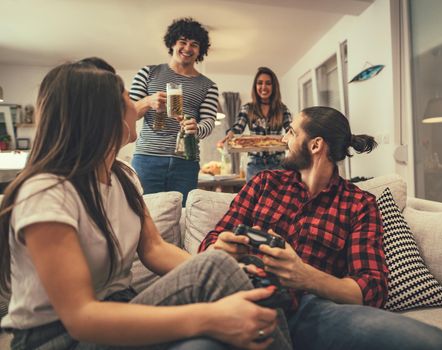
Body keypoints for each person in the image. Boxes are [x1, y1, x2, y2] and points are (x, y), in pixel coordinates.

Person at [0, 59, 292, 350]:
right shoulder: (46, 192)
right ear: (101, 114)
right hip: (58, 336)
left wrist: (226, 273)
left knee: (222, 281)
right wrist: (208, 317)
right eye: (128, 98)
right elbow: (80, 316)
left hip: (121, 303)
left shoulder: (123, 176)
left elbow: (154, 248)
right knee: (213, 299)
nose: (134, 108)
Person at [199, 106, 442, 350]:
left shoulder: (359, 204)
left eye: (291, 132)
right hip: (244, 298)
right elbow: (210, 242)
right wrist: (220, 248)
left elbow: (371, 289)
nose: (283, 140)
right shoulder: (264, 184)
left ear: (315, 145)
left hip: (311, 309)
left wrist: (304, 276)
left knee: (435, 343)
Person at [129, 17, 218, 205]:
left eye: (194, 44)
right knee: (142, 212)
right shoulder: (148, 73)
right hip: (147, 159)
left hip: (186, 162)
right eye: (183, 42)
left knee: (184, 216)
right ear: (172, 43)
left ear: (200, 50)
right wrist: (147, 101)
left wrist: (197, 128)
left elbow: (208, 122)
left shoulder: (208, 85)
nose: (188, 48)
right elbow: (128, 113)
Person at [218, 67, 292, 180]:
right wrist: (231, 133)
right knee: (254, 198)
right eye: (260, 83)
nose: (263, 87)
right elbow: (238, 127)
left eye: (268, 83)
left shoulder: (282, 109)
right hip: (255, 165)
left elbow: (290, 128)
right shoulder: (248, 108)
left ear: (274, 87)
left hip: (278, 164)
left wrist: (296, 134)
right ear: (255, 86)